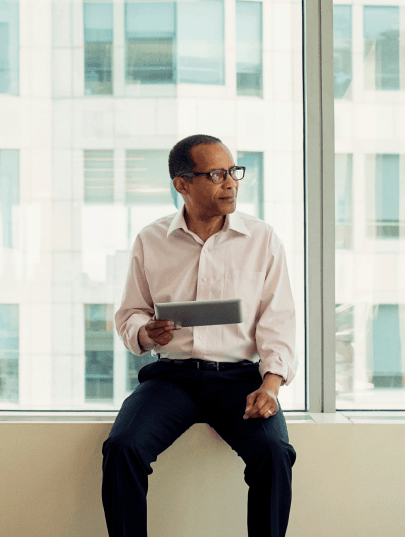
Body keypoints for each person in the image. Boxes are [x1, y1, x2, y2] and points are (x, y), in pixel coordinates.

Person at [102, 133, 298, 537]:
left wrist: (271, 386)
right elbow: (129, 315)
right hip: (173, 380)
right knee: (122, 448)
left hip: (240, 380)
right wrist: (146, 332)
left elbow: (278, 322)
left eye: (233, 172)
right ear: (183, 183)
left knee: (275, 454)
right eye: (216, 174)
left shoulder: (262, 240)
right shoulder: (151, 240)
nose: (231, 182)